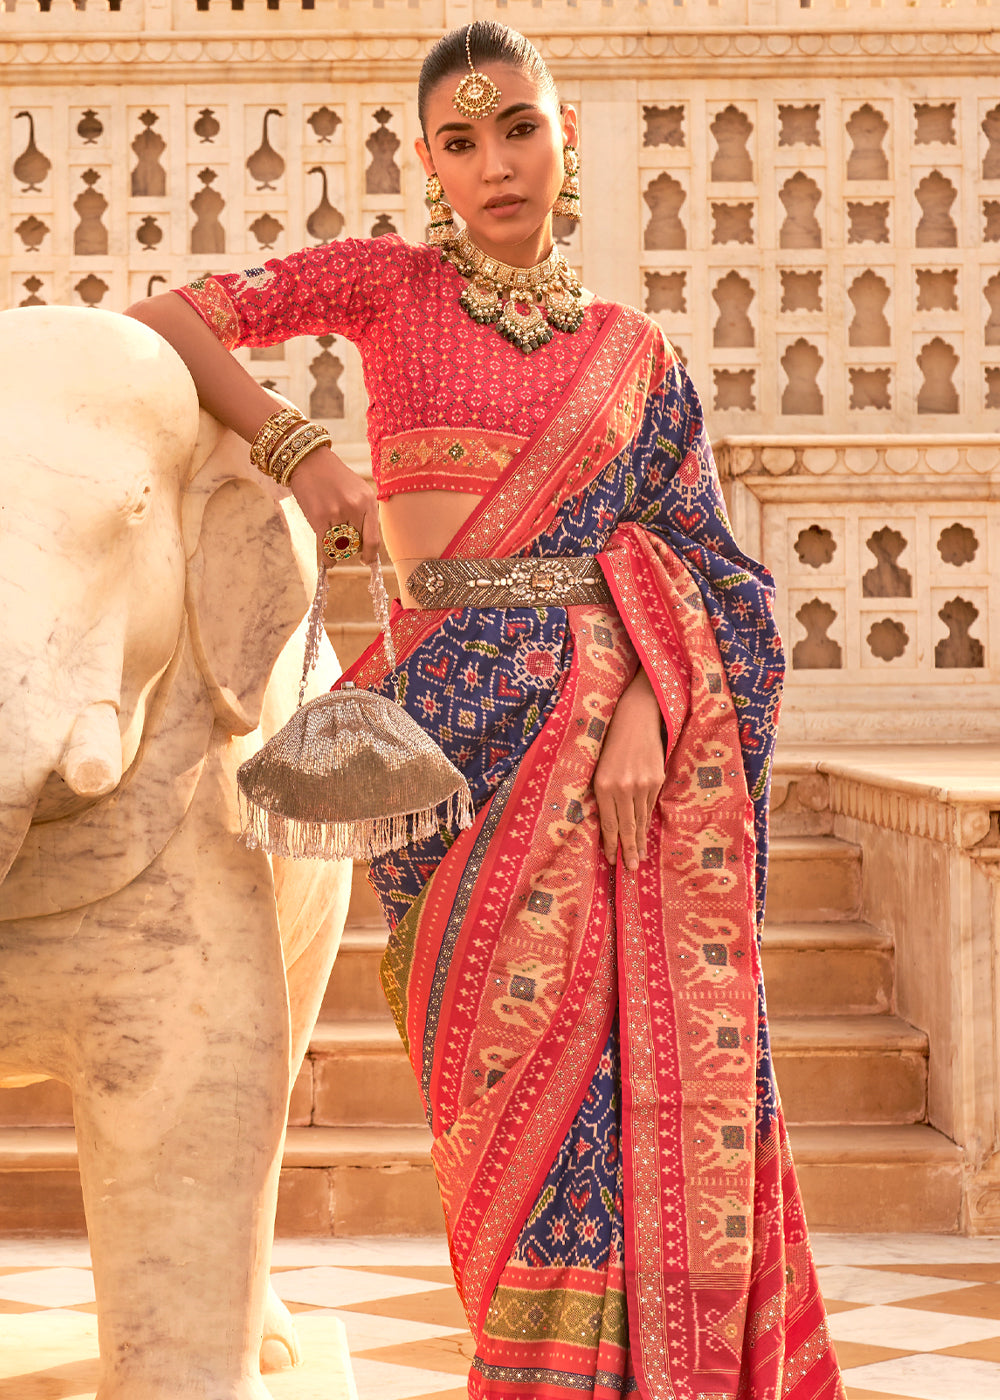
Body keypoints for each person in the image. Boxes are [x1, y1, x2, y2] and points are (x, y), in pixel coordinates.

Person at [126, 21, 844, 1400]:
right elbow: (169, 317)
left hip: (613, 769)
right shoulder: (387, 289)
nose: (494, 162)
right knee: (495, 1107)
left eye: (518, 127)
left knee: (621, 1095)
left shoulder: (636, 358)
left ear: (562, 137)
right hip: (438, 755)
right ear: (429, 163)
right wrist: (298, 447)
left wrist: (650, 713)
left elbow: (712, 577)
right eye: (461, 141)